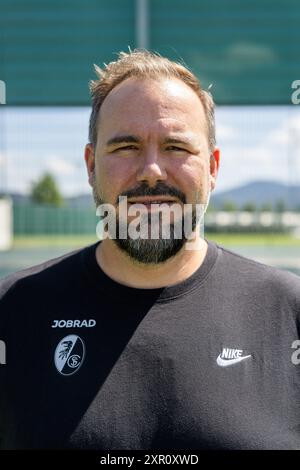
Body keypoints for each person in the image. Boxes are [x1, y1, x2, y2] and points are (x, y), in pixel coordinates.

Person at [0, 49, 300, 450]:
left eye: (176, 147)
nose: (152, 171)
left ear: (212, 168)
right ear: (90, 166)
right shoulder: (12, 311)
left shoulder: (288, 311)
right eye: (126, 147)